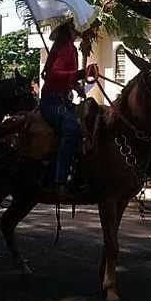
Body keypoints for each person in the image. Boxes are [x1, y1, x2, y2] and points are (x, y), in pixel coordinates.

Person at [40, 20, 98, 195]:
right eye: (74, 28)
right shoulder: (64, 48)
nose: (77, 31)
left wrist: (77, 86)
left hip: (63, 101)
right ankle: (60, 180)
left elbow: (62, 77)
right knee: (72, 127)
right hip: (52, 102)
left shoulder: (70, 48)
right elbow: (53, 75)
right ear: (68, 30)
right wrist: (80, 74)